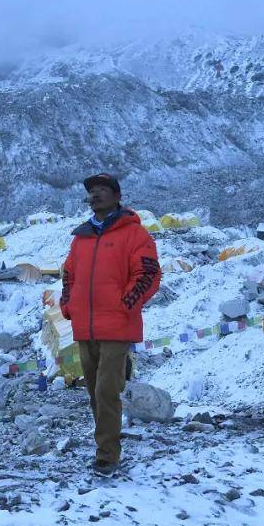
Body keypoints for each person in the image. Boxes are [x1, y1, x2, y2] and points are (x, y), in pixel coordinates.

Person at [61, 173, 161, 477]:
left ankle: (107, 454)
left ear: (117, 196)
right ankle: (105, 442)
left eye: (102, 190)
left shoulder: (134, 234)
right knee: (94, 391)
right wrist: (68, 305)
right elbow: (69, 275)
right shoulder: (81, 238)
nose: (95, 195)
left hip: (116, 327)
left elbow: (148, 274)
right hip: (85, 326)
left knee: (106, 389)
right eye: (91, 192)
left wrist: (124, 305)